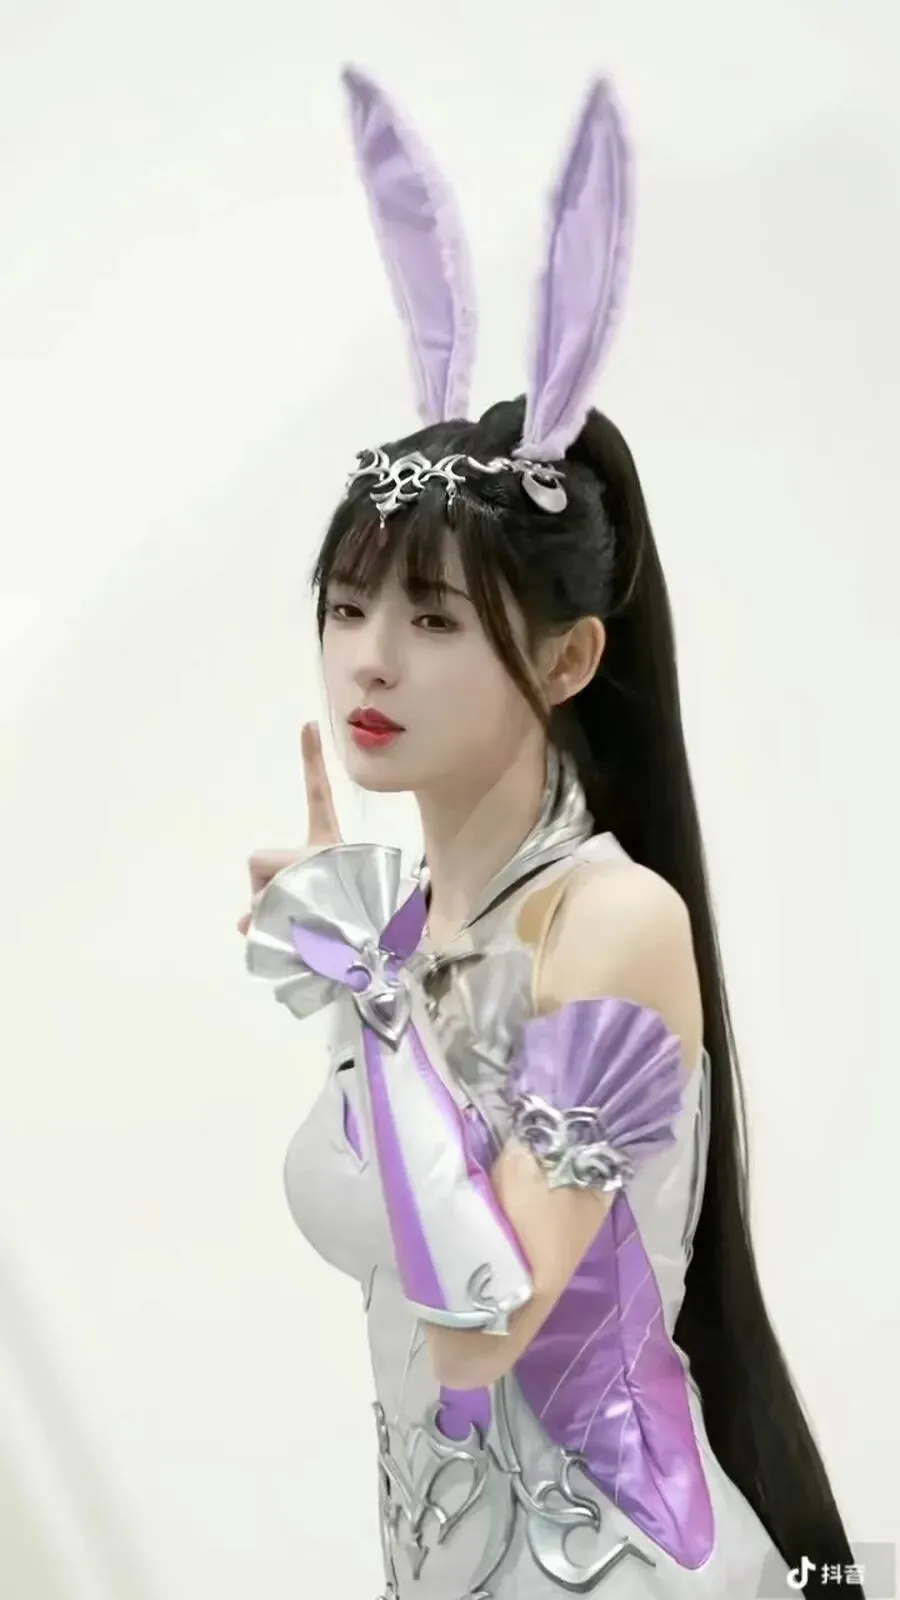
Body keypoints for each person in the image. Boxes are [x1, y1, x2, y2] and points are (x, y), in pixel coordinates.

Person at [240, 68, 859, 1598]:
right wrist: (372, 971)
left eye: (434, 618)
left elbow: (481, 1323)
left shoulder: (613, 923)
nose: (369, 659)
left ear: (572, 657)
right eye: (347, 607)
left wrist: (368, 996)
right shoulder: (416, 923)